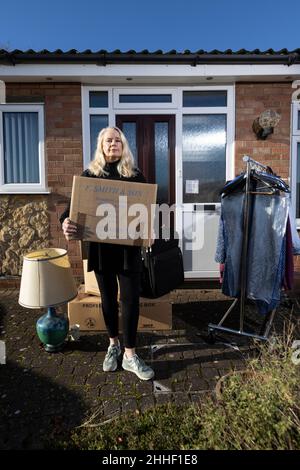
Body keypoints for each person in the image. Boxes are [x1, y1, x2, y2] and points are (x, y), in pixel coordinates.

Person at [60, 127, 154, 380]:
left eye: (117, 140)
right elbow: (70, 210)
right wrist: (65, 223)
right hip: (101, 249)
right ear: (101, 146)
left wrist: (150, 228)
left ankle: (130, 355)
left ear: (123, 146)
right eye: (108, 140)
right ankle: (113, 344)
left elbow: (147, 211)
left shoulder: (135, 176)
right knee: (108, 299)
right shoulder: (90, 175)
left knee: (131, 300)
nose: (113, 143)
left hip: (128, 250)